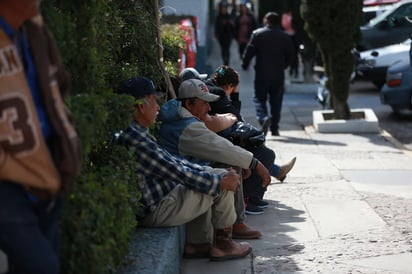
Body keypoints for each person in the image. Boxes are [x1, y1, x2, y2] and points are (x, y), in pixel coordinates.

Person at [116, 76, 252, 261]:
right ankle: (224, 244)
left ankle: (198, 244)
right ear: (140, 106)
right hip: (157, 209)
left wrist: (208, 174)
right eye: (155, 101)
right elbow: (177, 172)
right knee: (219, 180)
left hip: (163, 197)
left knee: (213, 175)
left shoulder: (136, 132)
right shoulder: (136, 139)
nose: (158, 107)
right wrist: (219, 181)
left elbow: (174, 163)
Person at [0, 1, 82, 273]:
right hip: (7, 185)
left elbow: (57, 91)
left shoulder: (33, 31)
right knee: (43, 267)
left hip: (47, 171)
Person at [157, 78, 270, 219]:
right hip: (179, 183)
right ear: (189, 104)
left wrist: (246, 162)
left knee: (230, 167)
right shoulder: (186, 126)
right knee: (227, 174)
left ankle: (233, 226)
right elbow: (219, 147)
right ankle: (233, 227)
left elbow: (218, 146)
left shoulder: (182, 118)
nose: (209, 108)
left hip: (186, 172)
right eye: (204, 103)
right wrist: (255, 164)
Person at [200, 65, 296, 210]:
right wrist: (235, 96)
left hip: (217, 138)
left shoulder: (209, 86)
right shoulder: (217, 93)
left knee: (259, 149)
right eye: (233, 88)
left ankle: (267, 182)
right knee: (266, 154)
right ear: (229, 85)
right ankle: (249, 198)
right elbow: (236, 117)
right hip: (215, 143)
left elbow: (233, 117)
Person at [242, 12, 295, 136]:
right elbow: (291, 55)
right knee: (276, 100)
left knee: (259, 98)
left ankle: (263, 117)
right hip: (278, 74)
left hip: (262, 73)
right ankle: (275, 128)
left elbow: (249, 51)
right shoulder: (285, 37)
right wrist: (283, 66)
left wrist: (245, 65)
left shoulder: (257, 34)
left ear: (267, 21)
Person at [214, 1, 235, 66]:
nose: (224, 10)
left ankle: (227, 62)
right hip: (221, 36)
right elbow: (216, 26)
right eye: (222, 8)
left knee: (227, 48)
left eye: (225, 8)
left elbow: (233, 26)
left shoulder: (229, 16)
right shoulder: (218, 17)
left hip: (228, 36)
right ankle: (224, 61)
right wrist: (216, 34)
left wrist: (232, 24)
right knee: (223, 49)